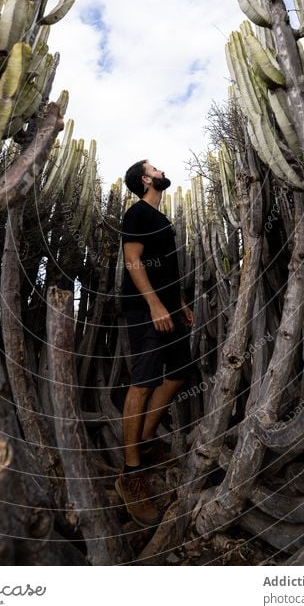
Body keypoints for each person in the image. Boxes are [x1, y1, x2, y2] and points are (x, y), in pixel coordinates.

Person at [114, 159, 194, 528]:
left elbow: (164, 267)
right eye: (156, 169)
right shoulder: (137, 214)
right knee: (143, 382)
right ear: (146, 180)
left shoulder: (160, 218)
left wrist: (176, 302)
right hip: (146, 309)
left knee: (179, 374)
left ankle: (144, 442)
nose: (162, 170)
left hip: (167, 307)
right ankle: (131, 473)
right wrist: (155, 304)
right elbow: (133, 261)